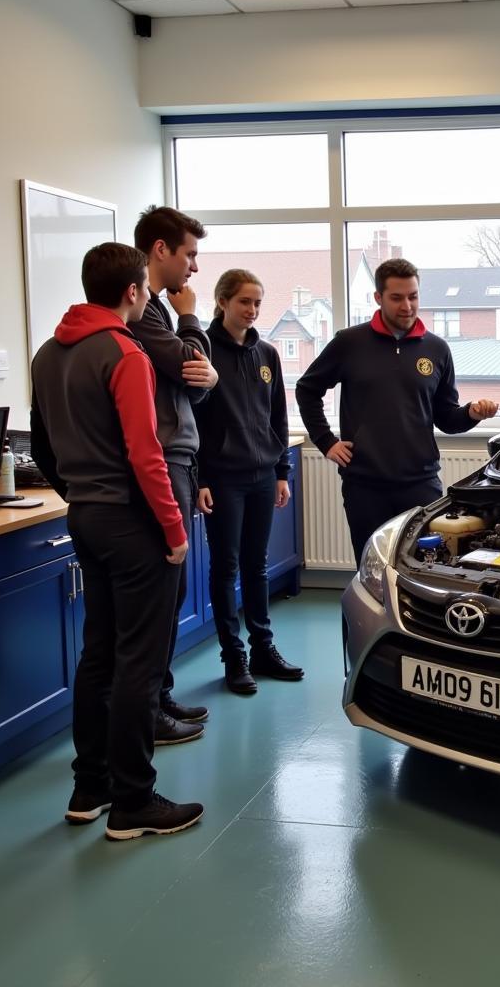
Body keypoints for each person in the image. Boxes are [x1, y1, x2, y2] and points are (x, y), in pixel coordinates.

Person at [30, 242, 204, 840]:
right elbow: (146, 454)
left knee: (99, 654)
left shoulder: (48, 354)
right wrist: (174, 530)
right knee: (139, 661)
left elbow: (44, 450)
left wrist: (80, 492)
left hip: (85, 517)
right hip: (134, 523)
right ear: (134, 292)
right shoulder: (125, 353)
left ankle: (91, 785)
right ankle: (135, 801)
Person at [296, 257, 499, 564]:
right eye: (397, 298)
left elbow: (446, 418)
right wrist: (326, 441)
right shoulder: (349, 343)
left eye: (413, 296)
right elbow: (307, 389)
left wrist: (471, 413)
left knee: (425, 567)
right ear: (378, 298)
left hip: (421, 484)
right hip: (365, 484)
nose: (407, 305)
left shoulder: (437, 349)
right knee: (371, 569)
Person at [131, 205, 218, 746]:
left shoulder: (156, 309)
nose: (193, 269)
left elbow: (199, 381)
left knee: (173, 587)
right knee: (163, 589)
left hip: (180, 456)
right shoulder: (142, 309)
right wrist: (190, 320)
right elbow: (186, 364)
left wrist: (202, 370)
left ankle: (159, 697)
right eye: (189, 255)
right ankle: (149, 711)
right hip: (165, 459)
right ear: (160, 250)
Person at [194, 269, 304, 694]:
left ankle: (263, 648)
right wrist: (200, 477)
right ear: (222, 302)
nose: (252, 310)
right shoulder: (201, 351)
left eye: (257, 302)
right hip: (222, 478)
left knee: (256, 567)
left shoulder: (268, 354)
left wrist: (281, 472)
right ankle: (233, 657)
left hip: (262, 475)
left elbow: (278, 415)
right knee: (226, 569)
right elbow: (193, 419)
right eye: (244, 302)